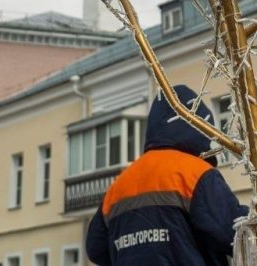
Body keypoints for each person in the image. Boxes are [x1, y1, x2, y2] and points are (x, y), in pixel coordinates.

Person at [86, 84, 247, 266]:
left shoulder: (119, 186)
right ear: (200, 126)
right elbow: (238, 233)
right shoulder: (195, 174)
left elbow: (95, 249)